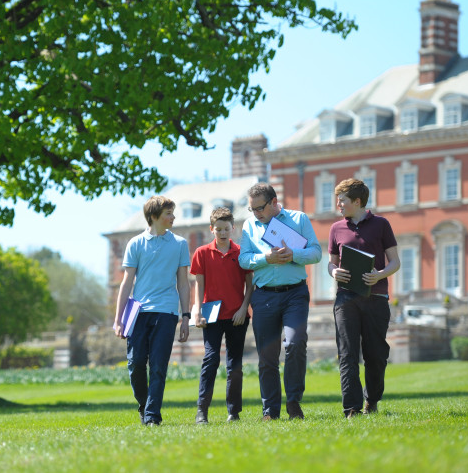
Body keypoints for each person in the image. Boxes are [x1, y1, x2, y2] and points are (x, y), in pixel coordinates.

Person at [238, 183, 321, 421]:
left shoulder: (299, 219)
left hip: (295, 294)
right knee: (267, 356)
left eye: (260, 208)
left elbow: (316, 252)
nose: (256, 213)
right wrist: (267, 258)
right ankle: (270, 410)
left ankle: (293, 402)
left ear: (274, 203)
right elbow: (244, 260)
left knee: (295, 344)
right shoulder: (249, 225)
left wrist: (293, 255)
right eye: (252, 209)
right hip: (263, 296)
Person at [112, 195, 191, 426]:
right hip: (138, 312)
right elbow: (126, 283)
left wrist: (185, 317)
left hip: (166, 312)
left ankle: (152, 416)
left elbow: (184, 283)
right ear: (154, 216)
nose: (173, 217)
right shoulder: (135, 243)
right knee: (135, 363)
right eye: (168, 213)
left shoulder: (179, 244)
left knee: (158, 365)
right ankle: (145, 406)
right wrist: (118, 319)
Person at [327, 178, 400, 418]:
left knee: (376, 355)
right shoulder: (336, 229)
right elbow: (331, 264)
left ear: (357, 201)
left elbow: (395, 262)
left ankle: (372, 400)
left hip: (376, 297)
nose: (338, 204)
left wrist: (379, 274)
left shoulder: (381, 225)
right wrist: (334, 271)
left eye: (342, 200)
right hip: (346, 298)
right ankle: (352, 409)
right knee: (347, 353)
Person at [190, 207, 253, 424]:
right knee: (210, 359)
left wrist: (244, 308)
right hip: (211, 315)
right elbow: (198, 284)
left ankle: (233, 412)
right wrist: (197, 310)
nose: (223, 233)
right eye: (218, 229)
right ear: (212, 229)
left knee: (234, 365)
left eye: (226, 229)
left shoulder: (242, 252)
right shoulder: (201, 253)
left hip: (237, 315)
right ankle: (202, 411)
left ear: (233, 228)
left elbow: (249, 285)